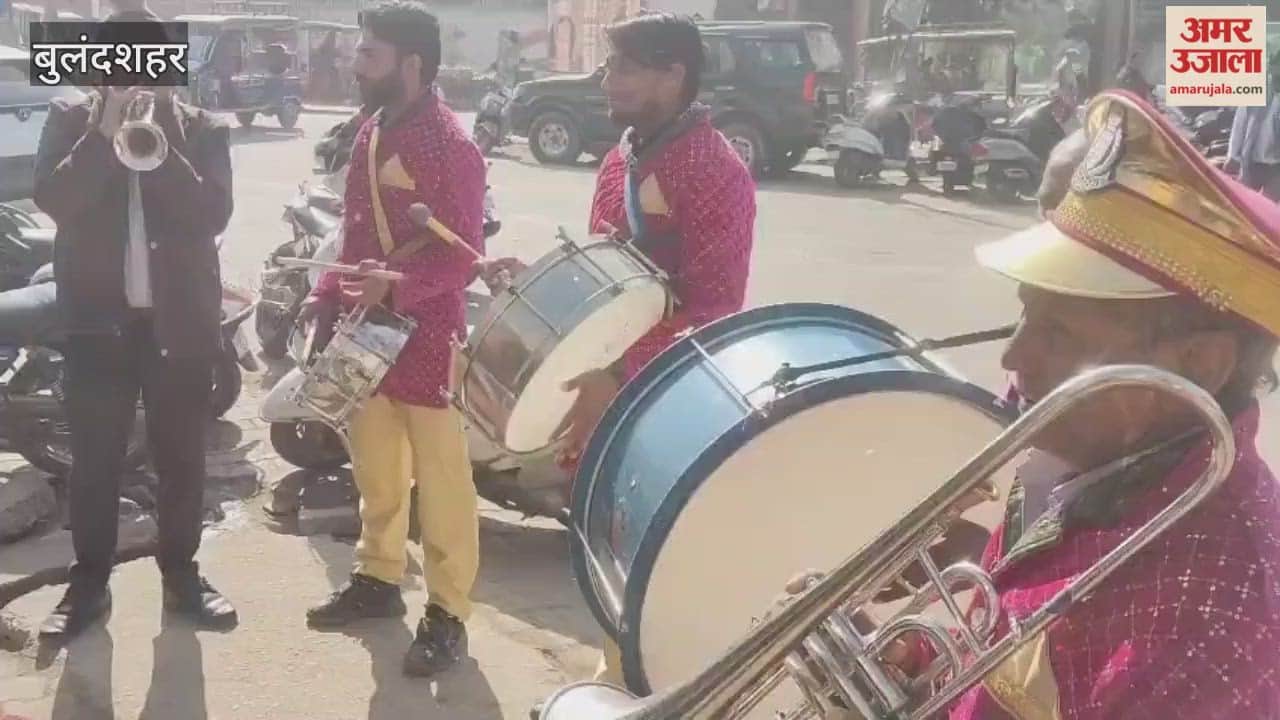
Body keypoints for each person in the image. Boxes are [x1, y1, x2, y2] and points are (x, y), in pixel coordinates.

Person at [788, 89, 1280, 718]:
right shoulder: (1090, 458)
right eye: (1025, 315)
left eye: (1059, 333)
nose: (1012, 357)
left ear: (1199, 364)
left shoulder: (1219, 625)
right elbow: (1019, 664)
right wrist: (907, 670)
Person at [475, 12, 756, 703]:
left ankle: (657, 690)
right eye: (610, 66)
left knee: (659, 564)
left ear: (673, 74)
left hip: (670, 401)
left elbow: (715, 309)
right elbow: (607, 281)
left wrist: (621, 375)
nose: (608, 80)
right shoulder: (622, 157)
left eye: (626, 67)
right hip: (607, 393)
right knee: (608, 553)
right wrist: (540, 281)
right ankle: (621, 683)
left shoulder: (715, 169)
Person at [32, 1, 236, 639]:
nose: (131, 80)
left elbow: (211, 214)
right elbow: (56, 200)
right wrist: (103, 134)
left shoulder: (203, 128)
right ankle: (89, 584)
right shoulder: (70, 119)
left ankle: (182, 575)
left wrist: (161, 137)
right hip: (98, 324)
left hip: (179, 325)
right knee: (95, 462)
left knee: (181, 460)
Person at [300, 1, 485, 679]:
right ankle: (379, 576)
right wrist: (326, 297)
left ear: (411, 64)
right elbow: (353, 234)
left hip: (429, 337)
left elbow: (464, 257)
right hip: (366, 337)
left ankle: (448, 612)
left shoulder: (453, 145)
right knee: (375, 469)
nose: (354, 65)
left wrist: (395, 285)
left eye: (368, 54)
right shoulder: (370, 130)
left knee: (441, 483)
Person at [1226, 52, 1280, 201]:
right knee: (1243, 203)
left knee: (1267, 208)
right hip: (1252, 161)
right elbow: (1239, 125)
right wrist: (1232, 155)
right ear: (1271, 69)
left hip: (1276, 168)